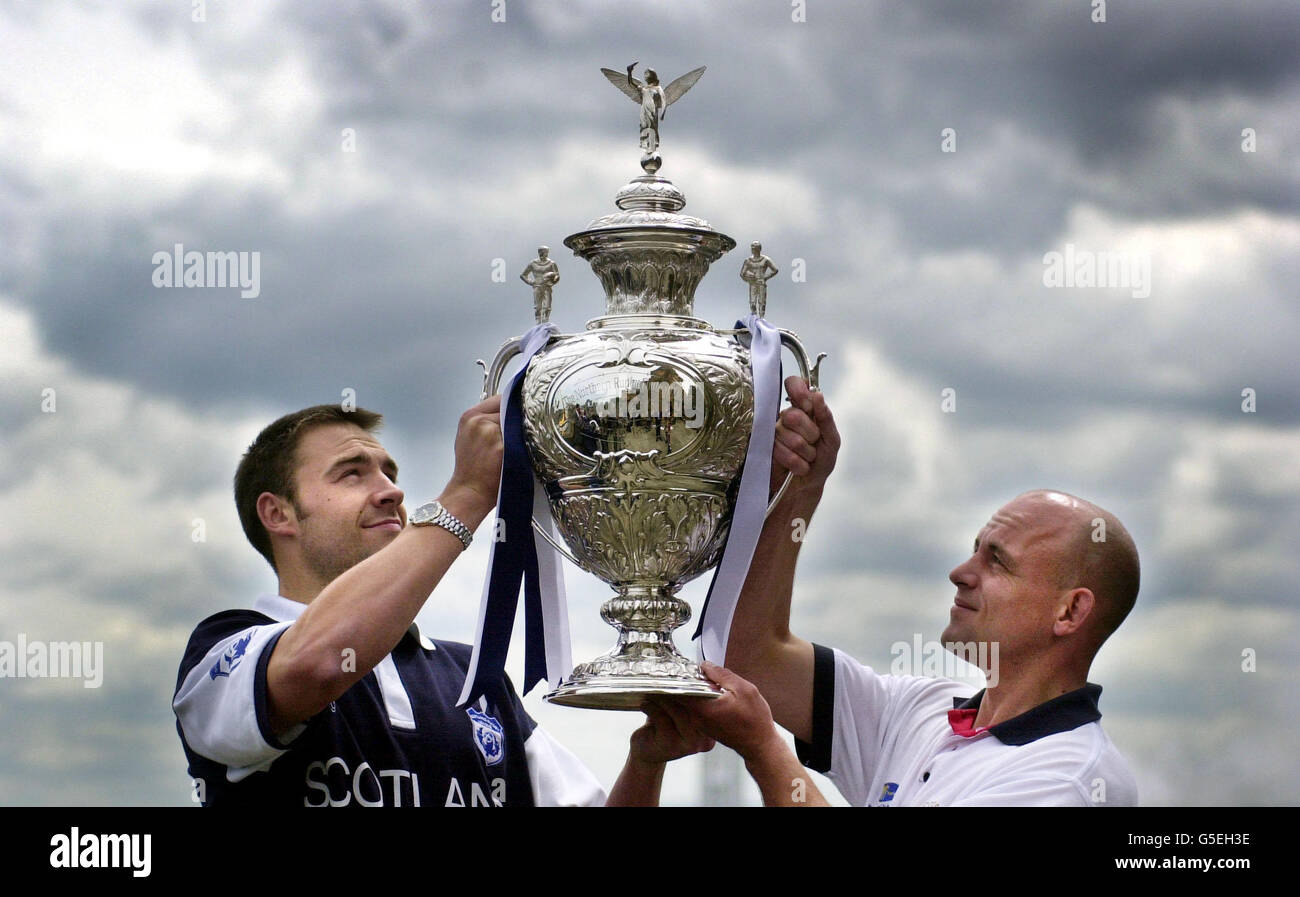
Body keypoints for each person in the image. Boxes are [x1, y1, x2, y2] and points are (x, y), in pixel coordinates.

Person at [171, 401, 709, 807]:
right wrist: (467, 495)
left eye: (390, 474)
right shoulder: (223, 650)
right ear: (278, 514)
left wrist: (647, 762)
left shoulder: (473, 676)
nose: (390, 492)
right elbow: (315, 663)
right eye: (352, 473)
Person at [653, 378, 1141, 806]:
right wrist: (801, 485)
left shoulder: (1069, 776)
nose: (960, 572)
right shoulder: (923, 710)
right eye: (974, 550)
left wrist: (763, 749)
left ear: (1070, 611)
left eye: (997, 561)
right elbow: (748, 659)